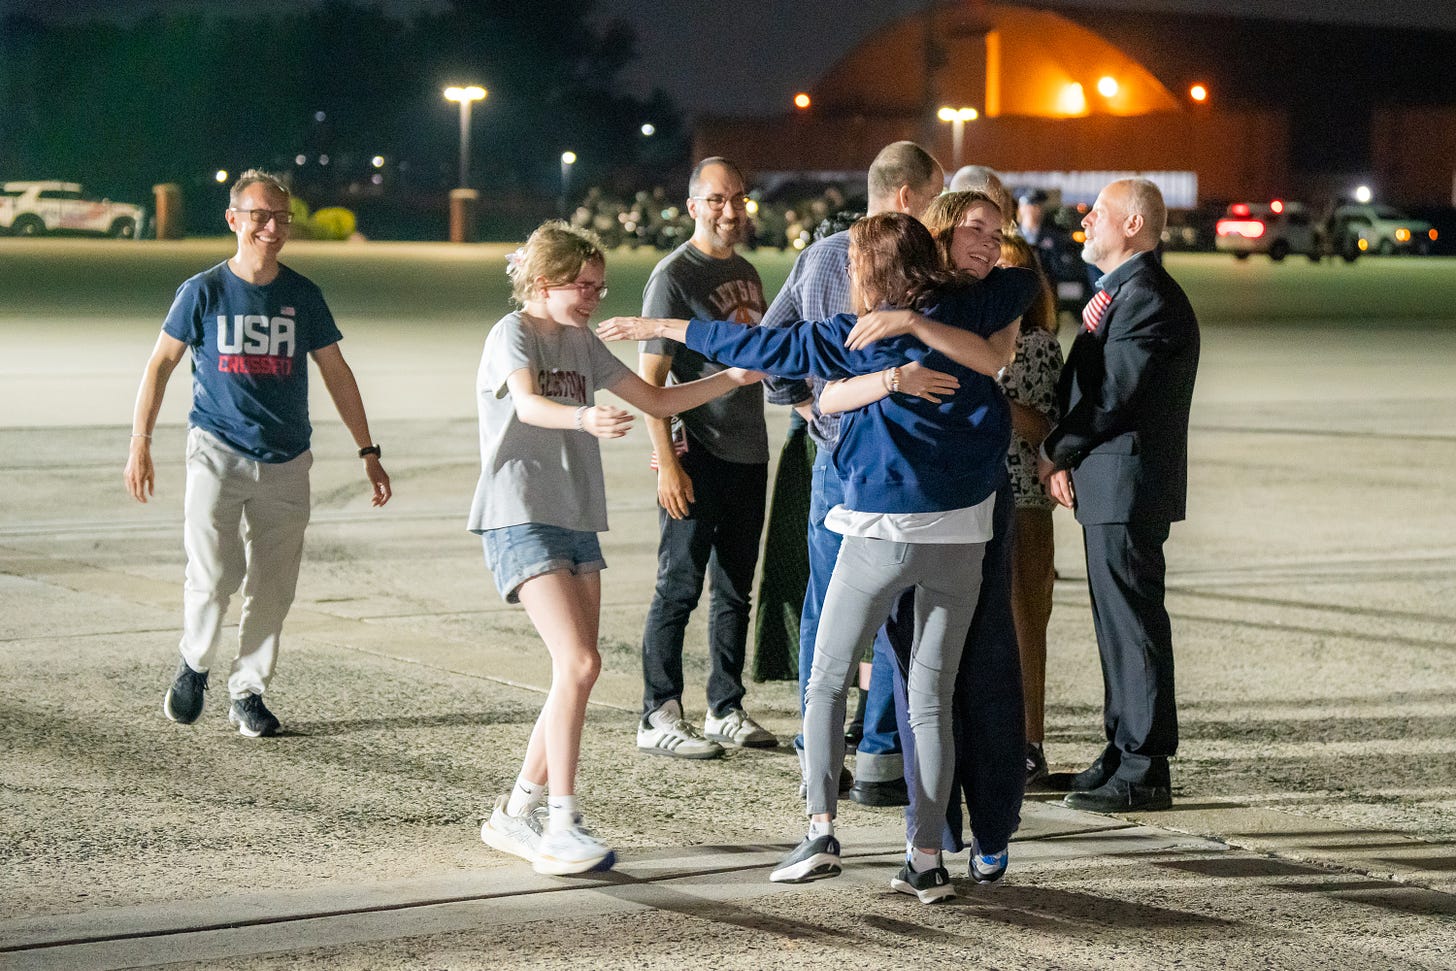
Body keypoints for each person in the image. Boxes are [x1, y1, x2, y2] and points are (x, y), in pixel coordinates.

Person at [598, 212, 1035, 905]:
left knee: (828, 678)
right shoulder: (971, 306)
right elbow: (1016, 286)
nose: (850, 275)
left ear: (876, 271)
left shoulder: (853, 333)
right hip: (961, 541)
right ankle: (925, 858)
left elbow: (762, 347)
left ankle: (820, 830)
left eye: (858, 265)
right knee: (930, 699)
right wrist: (933, 315)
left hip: (879, 533)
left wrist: (667, 328)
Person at [470, 221, 762, 875]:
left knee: (579, 669)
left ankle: (517, 812)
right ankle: (561, 824)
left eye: (600, 288)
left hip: (576, 517)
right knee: (576, 663)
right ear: (544, 282)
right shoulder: (513, 333)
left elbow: (655, 396)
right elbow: (527, 404)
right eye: (583, 286)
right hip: (519, 513)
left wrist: (731, 378)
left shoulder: (581, 341)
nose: (594, 299)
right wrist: (583, 416)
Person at [124, 169, 392, 740]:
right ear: (233, 219)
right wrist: (140, 442)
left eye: (282, 218)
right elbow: (160, 365)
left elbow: (337, 374)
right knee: (215, 573)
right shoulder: (203, 291)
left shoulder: (302, 295)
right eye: (260, 216)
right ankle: (195, 662)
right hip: (216, 450)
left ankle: (248, 691)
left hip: (288, 459)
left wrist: (367, 449)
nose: (272, 228)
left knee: (274, 584)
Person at [759, 141, 947, 807]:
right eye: (934, 197)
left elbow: (774, 342)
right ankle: (879, 753)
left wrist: (808, 405)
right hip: (900, 463)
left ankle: (818, 749)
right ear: (905, 196)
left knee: (827, 606)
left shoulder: (815, 259)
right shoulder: (916, 261)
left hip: (835, 456)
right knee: (900, 604)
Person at [1037, 178, 1200, 813]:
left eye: (1098, 213)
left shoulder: (1147, 299)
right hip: (1113, 484)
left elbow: (1113, 397)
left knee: (1132, 622)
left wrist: (1056, 448)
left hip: (1127, 484)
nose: (1085, 222)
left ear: (1133, 225)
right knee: (1116, 622)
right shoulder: (1122, 295)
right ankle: (1121, 748)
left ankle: (1145, 765)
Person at [634, 157, 776, 760]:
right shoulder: (674, 276)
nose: (729, 210)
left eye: (737, 198)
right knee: (680, 585)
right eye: (716, 199)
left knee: (736, 589)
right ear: (693, 206)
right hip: (699, 453)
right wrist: (667, 461)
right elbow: (651, 378)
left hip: (749, 451)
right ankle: (658, 711)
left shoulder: (746, 271)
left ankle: (725, 706)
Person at [995, 234, 1064, 785]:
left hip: (1024, 499)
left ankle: (1029, 744)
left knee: (1024, 625)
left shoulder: (1038, 344)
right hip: (974, 495)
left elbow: (1044, 428)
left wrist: (990, 400)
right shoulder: (971, 337)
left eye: (1015, 272)